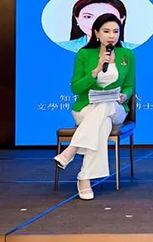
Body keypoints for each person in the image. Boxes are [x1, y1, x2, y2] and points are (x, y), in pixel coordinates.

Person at [53, 13, 135, 200]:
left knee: (106, 105)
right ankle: (84, 178)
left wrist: (124, 95)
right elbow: (76, 88)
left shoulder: (127, 55)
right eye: (106, 31)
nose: (111, 35)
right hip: (85, 108)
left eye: (115, 31)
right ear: (96, 33)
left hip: (116, 108)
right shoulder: (84, 54)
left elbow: (129, 85)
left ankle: (71, 150)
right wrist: (97, 69)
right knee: (102, 123)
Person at [57, 0, 138, 53]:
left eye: (106, 16)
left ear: (121, 20)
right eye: (88, 17)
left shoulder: (135, 50)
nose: (96, 23)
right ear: (77, 19)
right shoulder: (60, 47)